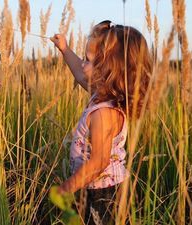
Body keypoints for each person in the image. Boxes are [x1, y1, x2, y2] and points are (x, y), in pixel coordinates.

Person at [50, 20, 152, 225]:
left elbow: (99, 162)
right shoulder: (102, 94)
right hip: (96, 187)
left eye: (88, 60)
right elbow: (80, 74)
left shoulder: (104, 113)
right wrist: (65, 49)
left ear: (109, 69)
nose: (82, 63)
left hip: (106, 195)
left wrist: (66, 188)